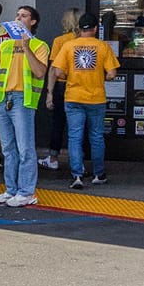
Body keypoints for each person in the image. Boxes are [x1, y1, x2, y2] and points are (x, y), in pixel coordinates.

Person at [0, 4, 50, 207]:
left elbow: (40, 72)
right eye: (17, 15)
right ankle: (11, 189)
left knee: (25, 149)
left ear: (32, 22)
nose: (18, 18)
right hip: (4, 98)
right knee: (8, 148)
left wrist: (26, 46)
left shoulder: (40, 45)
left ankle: (27, 192)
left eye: (23, 16)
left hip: (23, 99)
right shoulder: (5, 46)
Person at [54, 16, 118, 189]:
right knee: (96, 136)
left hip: (73, 96)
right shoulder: (103, 46)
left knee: (75, 137)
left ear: (79, 28)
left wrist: (72, 77)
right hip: (96, 98)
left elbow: (58, 72)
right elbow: (112, 73)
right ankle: (99, 174)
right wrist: (98, 78)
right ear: (96, 29)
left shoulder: (68, 46)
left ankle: (77, 175)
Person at [40, 8, 81, 171]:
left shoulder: (60, 41)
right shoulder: (88, 41)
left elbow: (53, 69)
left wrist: (49, 93)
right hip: (81, 85)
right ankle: (77, 162)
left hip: (62, 85)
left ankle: (53, 157)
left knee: (58, 122)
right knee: (77, 125)